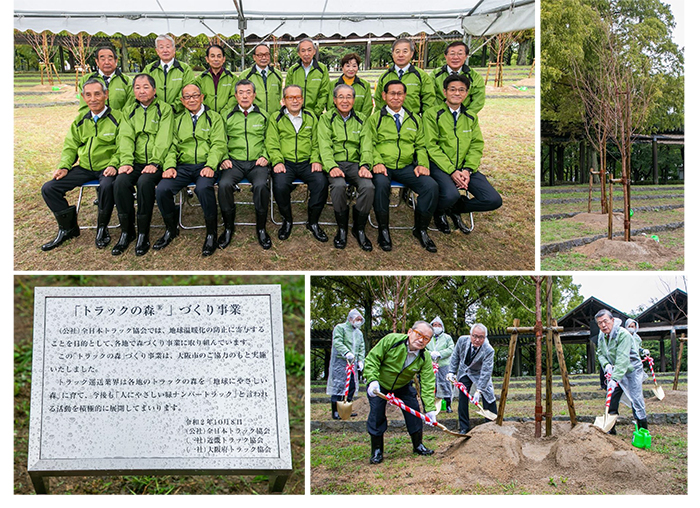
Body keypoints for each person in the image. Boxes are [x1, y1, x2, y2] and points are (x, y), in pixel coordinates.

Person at [40, 79, 120, 251]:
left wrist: (114, 164)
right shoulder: (80, 121)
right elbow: (70, 147)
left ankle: (102, 228)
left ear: (106, 95)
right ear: (83, 97)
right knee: (49, 188)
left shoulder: (118, 118)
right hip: (84, 167)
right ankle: (68, 228)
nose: (93, 99)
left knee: (107, 185)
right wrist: (64, 166)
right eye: (88, 95)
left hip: (107, 167)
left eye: (97, 94)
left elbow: (124, 146)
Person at [365, 80, 439, 252]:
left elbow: (421, 145)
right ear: (384, 96)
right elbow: (369, 144)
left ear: (405, 96)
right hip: (383, 165)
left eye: (400, 94)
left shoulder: (414, 119)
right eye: (392, 93)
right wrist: (377, 162)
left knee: (431, 186)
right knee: (381, 185)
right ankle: (383, 229)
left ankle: (420, 230)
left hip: (407, 165)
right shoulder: (375, 119)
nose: (396, 97)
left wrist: (422, 163)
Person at [154, 84, 227, 256]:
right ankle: (171, 229)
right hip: (183, 166)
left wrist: (210, 165)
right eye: (187, 97)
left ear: (202, 97)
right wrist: (170, 166)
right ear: (182, 101)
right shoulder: (178, 120)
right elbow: (171, 146)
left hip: (205, 164)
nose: (192, 99)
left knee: (203, 188)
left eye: (195, 96)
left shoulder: (214, 118)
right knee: (162, 189)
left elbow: (219, 144)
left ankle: (211, 233)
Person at [423, 74, 501, 234]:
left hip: (466, 168)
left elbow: (476, 145)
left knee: (493, 200)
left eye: (461, 90)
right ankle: (439, 211)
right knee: (451, 194)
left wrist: (467, 170)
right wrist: (452, 171)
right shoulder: (432, 114)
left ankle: (455, 208)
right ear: (444, 92)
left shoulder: (470, 117)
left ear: (466, 93)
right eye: (452, 89)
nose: (456, 93)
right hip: (440, 166)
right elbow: (431, 146)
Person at [111, 74, 174, 256]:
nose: (142, 91)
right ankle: (127, 231)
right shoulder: (129, 111)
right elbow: (126, 137)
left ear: (154, 90)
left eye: (146, 87)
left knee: (145, 183)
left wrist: (155, 162)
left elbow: (164, 138)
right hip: (135, 160)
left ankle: (143, 234)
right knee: (120, 182)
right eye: (137, 87)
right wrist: (126, 162)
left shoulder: (165, 109)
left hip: (157, 160)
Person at [364, 321, 437, 464]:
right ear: (410, 331)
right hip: (380, 384)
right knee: (377, 413)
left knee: (413, 411)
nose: (421, 340)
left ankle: (418, 445)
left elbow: (428, 383)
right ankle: (377, 450)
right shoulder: (392, 340)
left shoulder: (424, 357)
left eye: (426, 338)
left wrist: (430, 409)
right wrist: (372, 380)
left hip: (403, 385)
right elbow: (372, 359)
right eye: (419, 334)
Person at [266, 85, 329, 242]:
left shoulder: (311, 117)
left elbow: (317, 142)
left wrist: (316, 159)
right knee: (280, 185)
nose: (295, 101)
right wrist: (277, 161)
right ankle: (287, 220)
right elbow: (272, 143)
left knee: (321, 182)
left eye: (298, 97)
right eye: (290, 97)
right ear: (283, 101)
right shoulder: (275, 118)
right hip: (285, 162)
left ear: (302, 99)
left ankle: (313, 222)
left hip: (307, 161)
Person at [317, 84, 374, 250]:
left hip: (356, 164)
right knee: (338, 185)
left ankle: (359, 228)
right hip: (335, 162)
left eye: (349, 97)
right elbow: (324, 146)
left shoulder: (362, 119)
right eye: (340, 97)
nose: (345, 100)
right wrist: (331, 166)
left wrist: (365, 165)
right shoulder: (326, 119)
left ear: (354, 100)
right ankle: (342, 228)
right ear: (334, 100)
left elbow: (367, 145)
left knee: (368, 187)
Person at [219, 80, 273, 250]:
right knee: (224, 185)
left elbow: (271, 140)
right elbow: (220, 141)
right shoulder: (226, 115)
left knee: (261, 185)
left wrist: (266, 155)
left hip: (257, 162)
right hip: (234, 161)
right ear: (235, 96)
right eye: (241, 92)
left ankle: (261, 228)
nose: (244, 96)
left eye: (248, 92)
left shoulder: (264, 115)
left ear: (254, 95)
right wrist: (224, 157)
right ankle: (228, 227)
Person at [596, 310, 648, 434]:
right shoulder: (602, 335)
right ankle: (610, 429)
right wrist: (606, 364)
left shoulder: (623, 335)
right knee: (612, 399)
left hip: (631, 371)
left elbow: (623, 359)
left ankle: (643, 431)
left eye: (605, 321)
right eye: (599, 323)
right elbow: (600, 353)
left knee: (636, 399)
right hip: (616, 370)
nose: (603, 325)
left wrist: (614, 379)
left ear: (612, 321)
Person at [447, 323, 497, 434]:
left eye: (481, 337)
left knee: (488, 394)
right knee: (463, 396)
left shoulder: (488, 350)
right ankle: (464, 427)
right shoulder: (462, 341)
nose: (477, 339)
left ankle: (491, 424)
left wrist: (479, 390)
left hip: (479, 373)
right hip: (465, 371)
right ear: (470, 335)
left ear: (485, 337)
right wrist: (451, 371)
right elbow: (455, 356)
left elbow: (486, 371)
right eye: (475, 336)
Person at [374, 38, 435, 116]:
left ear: (411, 54)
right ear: (393, 54)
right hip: (387, 122)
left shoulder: (421, 76)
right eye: (397, 51)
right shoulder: (385, 76)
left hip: (412, 123)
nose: (401, 55)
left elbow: (429, 102)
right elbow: (378, 101)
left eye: (405, 51)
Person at [326, 309, 367, 419]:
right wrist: (346, 352)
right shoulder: (340, 328)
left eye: (360, 320)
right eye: (357, 319)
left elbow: (361, 348)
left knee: (351, 387)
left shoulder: (359, 333)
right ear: (350, 319)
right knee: (339, 386)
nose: (359, 321)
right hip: (341, 362)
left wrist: (360, 360)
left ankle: (345, 410)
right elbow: (337, 342)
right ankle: (336, 411)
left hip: (352, 363)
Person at [431, 41, 485, 116]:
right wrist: (440, 114)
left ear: (466, 56)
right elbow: (429, 97)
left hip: (464, 118)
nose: (456, 57)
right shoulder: (434, 75)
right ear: (445, 56)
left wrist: (464, 117)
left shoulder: (475, 77)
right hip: (438, 116)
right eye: (452, 54)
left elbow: (478, 101)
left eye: (460, 54)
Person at [144, 34, 195, 113]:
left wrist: (173, 108)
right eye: (161, 47)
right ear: (157, 51)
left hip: (178, 114)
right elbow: (144, 90)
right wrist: (157, 108)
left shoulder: (185, 69)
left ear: (174, 50)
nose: (165, 50)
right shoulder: (149, 69)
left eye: (168, 47)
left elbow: (189, 91)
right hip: (154, 113)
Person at [78, 45, 133, 114]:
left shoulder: (127, 81)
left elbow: (130, 108)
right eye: (103, 59)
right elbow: (84, 108)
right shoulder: (86, 80)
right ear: (97, 62)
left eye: (110, 59)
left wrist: (116, 120)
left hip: (120, 122)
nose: (106, 62)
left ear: (116, 61)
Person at [285, 38, 331, 118]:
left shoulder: (322, 69)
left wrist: (315, 113)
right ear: (298, 53)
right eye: (303, 51)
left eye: (309, 50)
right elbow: (288, 93)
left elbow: (324, 93)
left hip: (315, 115)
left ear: (314, 51)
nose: (306, 54)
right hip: (295, 115)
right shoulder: (292, 70)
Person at [239, 43, 284, 115]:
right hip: (254, 117)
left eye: (266, 54)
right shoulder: (245, 75)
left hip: (274, 117)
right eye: (260, 55)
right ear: (254, 57)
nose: (264, 58)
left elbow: (279, 95)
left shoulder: (277, 74)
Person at [194, 44, 238, 113]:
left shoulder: (233, 78)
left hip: (227, 116)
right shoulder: (200, 79)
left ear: (223, 59)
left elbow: (234, 98)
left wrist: (224, 112)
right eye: (212, 56)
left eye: (219, 56)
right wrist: (210, 114)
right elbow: (198, 98)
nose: (216, 59)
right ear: (207, 59)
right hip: (207, 117)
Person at [327, 53, 373, 118]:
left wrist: (360, 121)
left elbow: (367, 106)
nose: (351, 69)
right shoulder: (333, 84)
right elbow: (330, 106)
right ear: (342, 67)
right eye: (348, 66)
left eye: (354, 66)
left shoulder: (365, 85)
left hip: (359, 124)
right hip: (337, 124)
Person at [426, 316, 455, 413]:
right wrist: (429, 353)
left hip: (443, 364)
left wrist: (440, 354)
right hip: (430, 364)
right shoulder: (428, 337)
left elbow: (451, 349)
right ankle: (430, 405)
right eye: (435, 325)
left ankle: (448, 405)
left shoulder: (447, 338)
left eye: (439, 325)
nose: (437, 327)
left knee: (445, 383)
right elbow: (423, 348)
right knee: (430, 384)